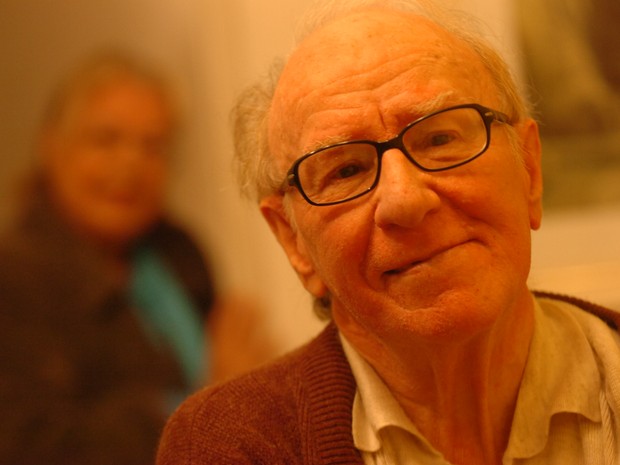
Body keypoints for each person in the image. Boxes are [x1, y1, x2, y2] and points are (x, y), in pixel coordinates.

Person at [157, 1, 620, 464]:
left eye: (439, 139)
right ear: (293, 241)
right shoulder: (228, 446)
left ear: (530, 170)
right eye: (347, 170)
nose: (405, 200)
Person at [0, 51, 269, 465]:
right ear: (51, 146)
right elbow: (27, 446)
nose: (131, 163)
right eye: (106, 139)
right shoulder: (13, 279)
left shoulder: (179, 250)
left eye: (152, 146)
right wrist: (211, 401)